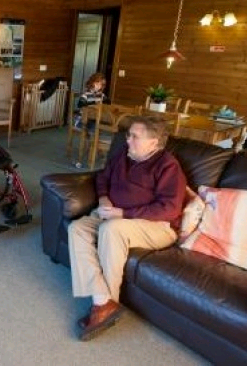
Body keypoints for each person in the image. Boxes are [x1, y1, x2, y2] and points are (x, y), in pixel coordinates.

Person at [68, 115, 186, 341]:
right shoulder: (124, 155)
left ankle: (103, 308)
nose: (128, 140)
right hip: (113, 214)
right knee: (77, 229)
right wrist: (103, 199)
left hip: (156, 226)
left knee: (112, 229)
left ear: (154, 142)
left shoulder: (168, 165)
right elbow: (102, 177)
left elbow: (169, 208)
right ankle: (103, 301)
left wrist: (123, 214)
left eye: (135, 136)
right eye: (128, 134)